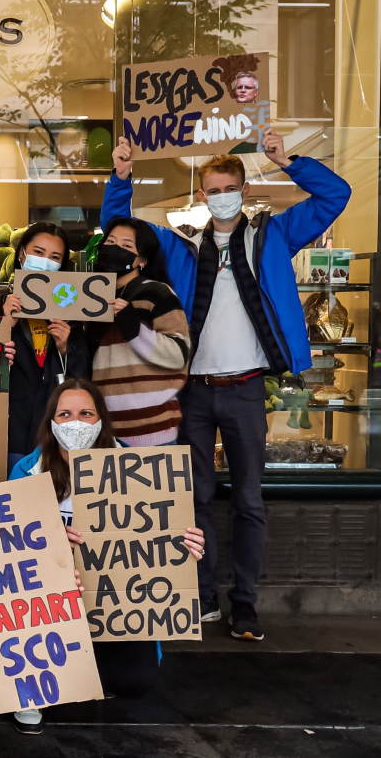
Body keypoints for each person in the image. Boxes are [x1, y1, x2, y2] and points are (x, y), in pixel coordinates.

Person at [105, 130, 351, 640]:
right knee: (192, 499)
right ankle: (201, 598)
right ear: (201, 194)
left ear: (242, 189)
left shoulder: (274, 236)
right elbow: (120, 231)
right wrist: (122, 176)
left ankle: (245, 603)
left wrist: (287, 160)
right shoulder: (181, 247)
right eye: (212, 188)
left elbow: (336, 196)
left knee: (248, 501)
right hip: (191, 390)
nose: (220, 195)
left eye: (228, 187)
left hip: (244, 389)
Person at [8, 378, 205, 734]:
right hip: (48, 602)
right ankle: (33, 686)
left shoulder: (137, 467)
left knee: (134, 682)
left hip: (113, 602)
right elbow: (9, 548)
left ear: (101, 420)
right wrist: (50, 544)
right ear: (51, 422)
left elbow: (159, 538)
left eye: (86, 413)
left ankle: (88, 666)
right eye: (65, 414)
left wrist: (185, 545)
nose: (76, 423)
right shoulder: (26, 471)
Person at [0, 223, 92, 470]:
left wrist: (65, 347)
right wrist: (3, 327)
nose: (45, 261)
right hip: (3, 435)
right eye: (38, 252)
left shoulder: (71, 312)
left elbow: (84, 378)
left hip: (53, 438)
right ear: (22, 254)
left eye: (54, 257)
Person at [87, 217, 190, 447]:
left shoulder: (157, 292)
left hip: (154, 433)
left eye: (126, 246)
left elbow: (178, 354)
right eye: (110, 242)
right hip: (106, 432)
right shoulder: (93, 298)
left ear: (142, 259)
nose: (115, 249)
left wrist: (133, 328)